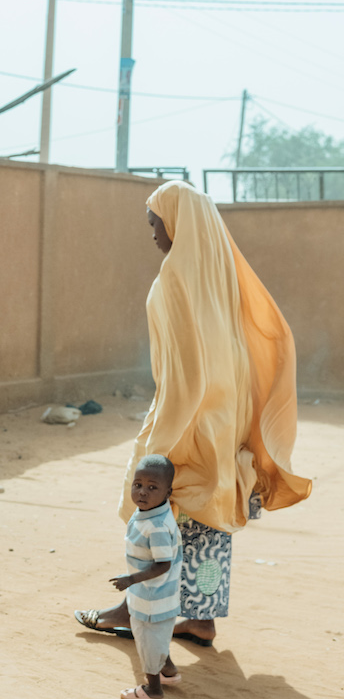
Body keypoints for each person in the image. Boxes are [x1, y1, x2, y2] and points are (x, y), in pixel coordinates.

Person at [76, 179, 311, 645]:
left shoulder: (176, 279)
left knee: (152, 510)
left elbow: (185, 371)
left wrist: (161, 433)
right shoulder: (223, 278)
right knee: (206, 517)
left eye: (155, 224)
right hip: (224, 419)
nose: (153, 234)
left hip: (189, 415)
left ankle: (132, 607)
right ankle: (201, 618)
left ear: (178, 223)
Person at [114, 454, 182, 699]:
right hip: (155, 594)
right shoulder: (149, 512)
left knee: (147, 640)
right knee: (157, 638)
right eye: (138, 484)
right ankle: (168, 672)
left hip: (153, 597)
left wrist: (131, 579)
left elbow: (163, 564)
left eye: (152, 487)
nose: (143, 492)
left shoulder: (157, 526)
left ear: (168, 491)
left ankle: (153, 690)